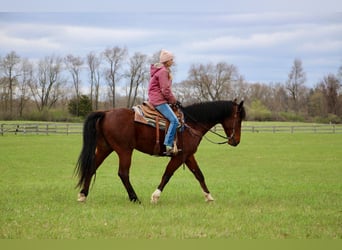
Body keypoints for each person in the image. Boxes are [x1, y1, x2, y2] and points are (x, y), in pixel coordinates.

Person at [148, 49, 180, 156]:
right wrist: (174, 101)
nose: (173, 61)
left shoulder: (161, 70)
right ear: (167, 61)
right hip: (159, 100)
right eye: (171, 59)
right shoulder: (163, 72)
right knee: (174, 120)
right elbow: (165, 90)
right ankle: (168, 144)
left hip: (156, 98)